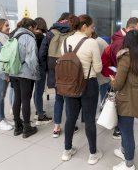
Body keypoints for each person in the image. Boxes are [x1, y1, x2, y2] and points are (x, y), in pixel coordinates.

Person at [110, 30, 138, 170]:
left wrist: (112, 80)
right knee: (127, 129)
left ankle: (129, 164)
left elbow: (118, 84)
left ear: (127, 42)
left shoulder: (126, 57)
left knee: (126, 130)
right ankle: (124, 151)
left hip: (126, 99)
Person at [61, 14, 103, 165]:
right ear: (84, 27)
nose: (93, 30)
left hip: (69, 84)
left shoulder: (65, 41)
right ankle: (92, 154)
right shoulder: (91, 42)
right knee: (90, 119)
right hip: (88, 84)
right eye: (92, 27)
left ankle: (67, 151)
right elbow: (98, 68)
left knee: (71, 118)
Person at [39, 13, 80, 138]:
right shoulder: (73, 32)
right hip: (68, 69)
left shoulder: (51, 32)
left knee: (58, 99)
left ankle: (56, 128)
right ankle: (70, 126)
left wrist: (47, 69)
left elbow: (42, 53)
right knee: (68, 99)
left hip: (54, 69)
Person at [104, 17, 138, 140]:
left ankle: (119, 127)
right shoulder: (121, 42)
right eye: (137, 30)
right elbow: (120, 63)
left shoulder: (120, 38)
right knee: (120, 105)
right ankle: (118, 129)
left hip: (119, 76)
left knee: (120, 104)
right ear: (130, 28)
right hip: (120, 77)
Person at [10, 18, 39, 138]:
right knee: (26, 99)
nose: (36, 30)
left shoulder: (14, 35)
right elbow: (32, 59)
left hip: (13, 71)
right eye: (35, 28)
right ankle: (27, 128)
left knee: (17, 97)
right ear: (31, 27)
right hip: (25, 73)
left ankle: (17, 126)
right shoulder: (28, 37)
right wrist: (36, 73)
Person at [33, 17, 53, 125]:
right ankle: (40, 116)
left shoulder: (31, 36)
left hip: (32, 67)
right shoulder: (43, 37)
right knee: (39, 91)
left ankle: (38, 111)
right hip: (41, 67)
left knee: (36, 91)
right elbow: (43, 54)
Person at [92, 32, 110, 102]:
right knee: (104, 95)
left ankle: (103, 110)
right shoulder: (99, 40)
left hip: (102, 74)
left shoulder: (96, 42)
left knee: (103, 96)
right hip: (104, 73)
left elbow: (96, 60)